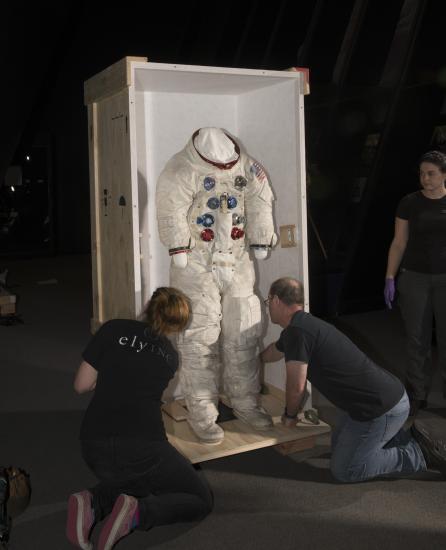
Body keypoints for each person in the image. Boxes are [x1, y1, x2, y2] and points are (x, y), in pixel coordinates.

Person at [66, 287, 213, 550]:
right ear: (178, 326)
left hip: (92, 445)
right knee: (200, 499)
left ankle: (92, 501)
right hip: (141, 447)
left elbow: (80, 385)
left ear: (148, 306)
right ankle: (137, 513)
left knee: (139, 477)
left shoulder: (112, 329)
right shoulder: (170, 358)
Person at [260, 277, 446, 483]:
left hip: (381, 408)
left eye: (268, 302)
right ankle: (406, 438)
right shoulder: (301, 327)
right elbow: (273, 353)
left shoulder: (297, 333)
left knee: (345, 469)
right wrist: (251, 360)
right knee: (340, 446)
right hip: (366, 405)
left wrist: (290, 415)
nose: (269, 308)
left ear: (276, 300)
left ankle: (420, 455)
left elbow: (296, 387)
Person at [156, 127, 276, 444]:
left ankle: (246, 403)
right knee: (199, 339)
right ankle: (203, 415)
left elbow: (261, 200)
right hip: (196, 262)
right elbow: (170, 206)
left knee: (244, 333)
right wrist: (178, 246)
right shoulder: (182, 167)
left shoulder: (247, 166)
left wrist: (261, 238)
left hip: (236, 260)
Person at [384, 150, 446, 416]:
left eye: (431, 173)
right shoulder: (409, 203)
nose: (425, 178)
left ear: (444, 174)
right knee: (417, 338)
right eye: (422, 173)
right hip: (414, 278)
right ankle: (417, 394)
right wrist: (390, 276)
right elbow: (399, 242)